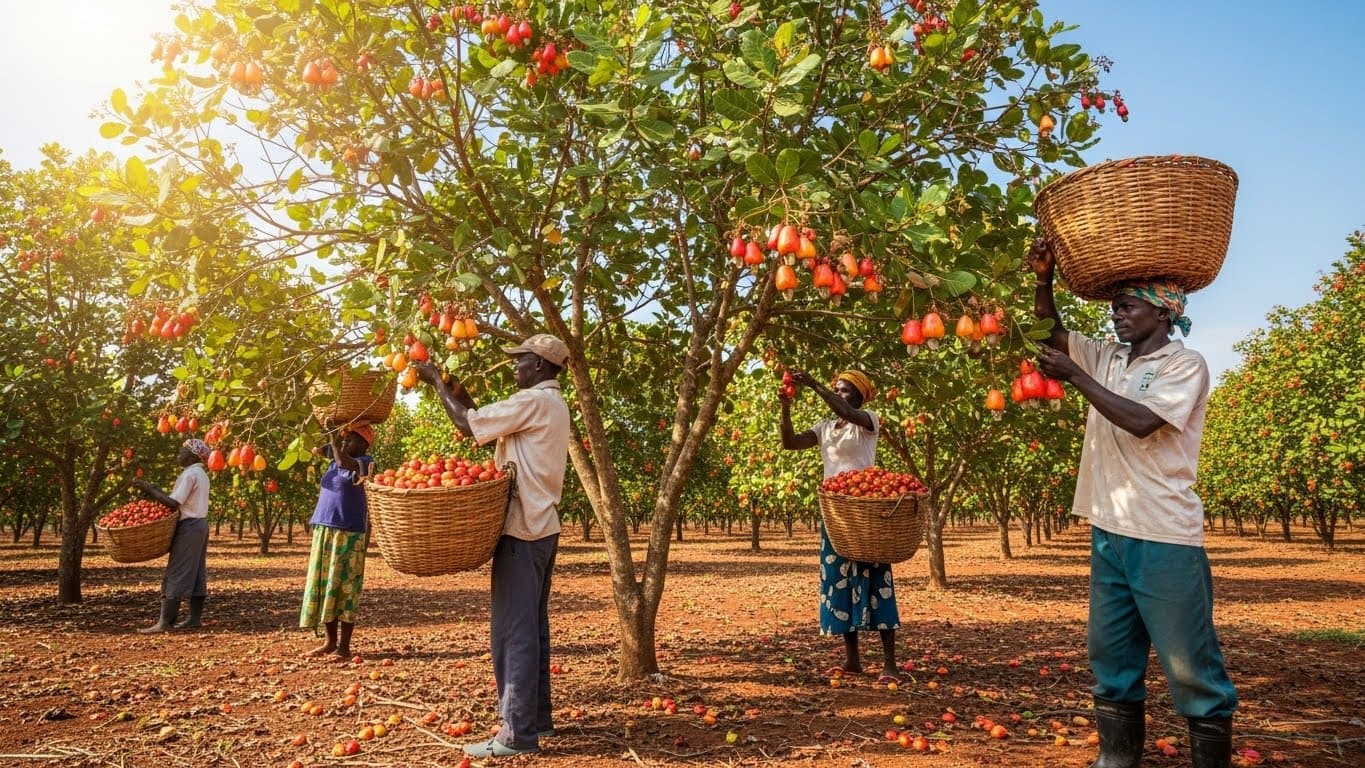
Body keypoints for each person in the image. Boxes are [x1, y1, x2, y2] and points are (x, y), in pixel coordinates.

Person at [1028, 238, 1236, 768]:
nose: (1116, 316)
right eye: (1115, 307)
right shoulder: (1109, 358)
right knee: (1111, 659)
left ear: (1162, 312)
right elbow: (1050, 332)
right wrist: (1044, 279)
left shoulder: (1183, 365)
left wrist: (1075, 377)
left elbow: (1143, 422)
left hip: (1163, 534)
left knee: (1191, 667)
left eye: (1128, 306)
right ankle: (1116, 759)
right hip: (1110, 529)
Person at [413, 333, 571, 758]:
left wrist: (432, 380)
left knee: (513, 632)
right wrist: (458, 391)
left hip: (522, 529)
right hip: (544, 527)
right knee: (532, 628)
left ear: (539, 365)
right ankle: (537, 721)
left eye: (520, 361)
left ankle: (516, 735)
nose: (514, 367)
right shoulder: (552, 404)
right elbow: (482, 415)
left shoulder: (534, 401)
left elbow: (469, 424)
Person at [779, 367, 902, 685]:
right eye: (838, 388)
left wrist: (816, 384)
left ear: (860, 396)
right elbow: (790, 442)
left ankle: (890, 664)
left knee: (877, 582)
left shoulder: (868, 421)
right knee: (840, 583)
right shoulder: (825, 428)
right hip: (835, 511)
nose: (840, 394)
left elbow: (845, 409)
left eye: (846, 389)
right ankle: (852, 660)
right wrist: (785, 406)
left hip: (866, 511)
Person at [299, 422, 374, 660]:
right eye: (344, 440)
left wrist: (333, 437)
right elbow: (318, 449)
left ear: (363, 444)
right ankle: (329, 642)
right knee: (325, 586)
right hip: (324, 528)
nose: (344, 443)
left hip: (349, 533)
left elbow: (343, 462)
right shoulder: (336, 458)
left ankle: (344, 646)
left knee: (344, 588)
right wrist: (327, 425)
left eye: (350, 440)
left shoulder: (365, 463)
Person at [130, 438, 212, 633]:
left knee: (177, 572)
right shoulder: (201, 474)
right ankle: (193, 619)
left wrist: (149, 489)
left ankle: (165, 622)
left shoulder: (190, 473)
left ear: (192, 456)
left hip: (189, 526)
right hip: (200, 525)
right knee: (197, 572)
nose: (178, 454)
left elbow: (174, 503)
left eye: (182, 451)